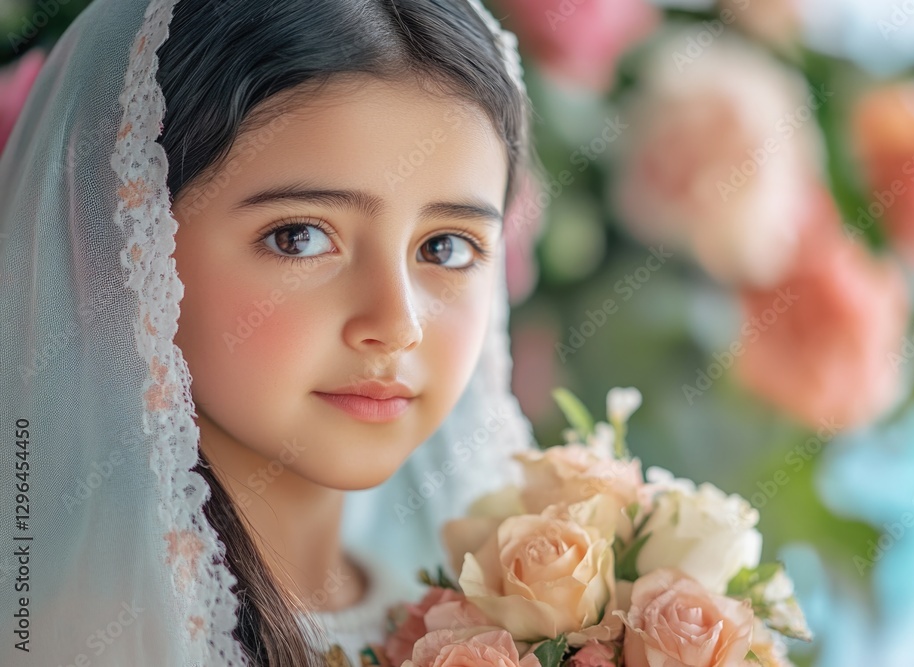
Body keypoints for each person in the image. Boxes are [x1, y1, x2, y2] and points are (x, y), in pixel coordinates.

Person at [0, 0, 540, 665]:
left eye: (446, 247)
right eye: (299, 237)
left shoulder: (511, 611)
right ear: (127, 241)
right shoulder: (89, 643)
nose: (397, 325)